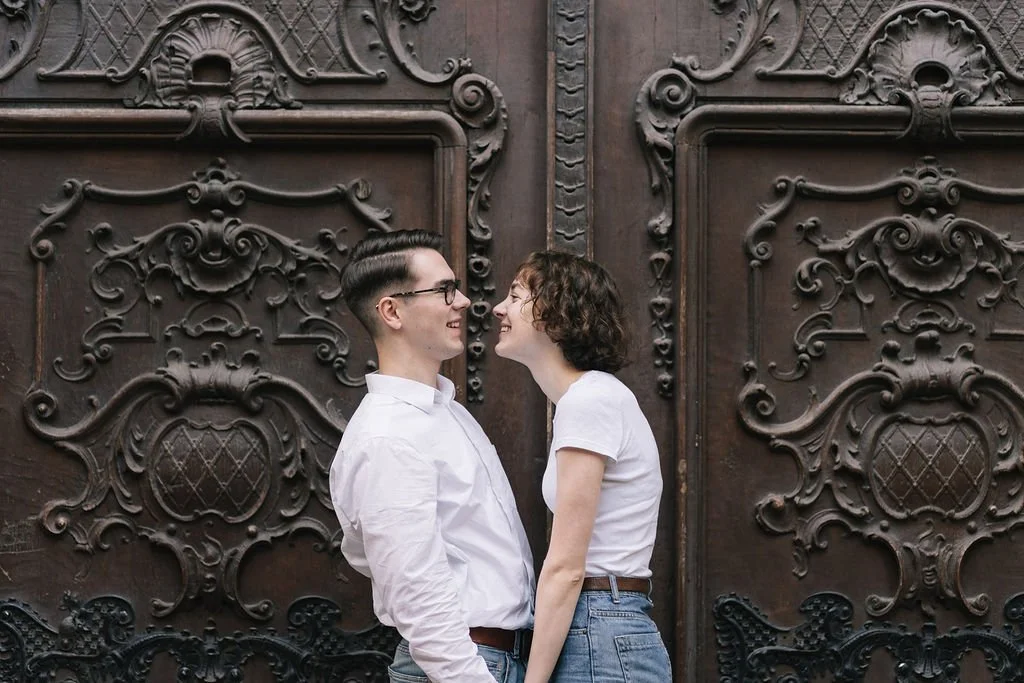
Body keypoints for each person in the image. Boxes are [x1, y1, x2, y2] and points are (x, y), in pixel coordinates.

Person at [330, 229, 536, 683]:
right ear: (391, 311)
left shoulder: (448, 414)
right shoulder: (388, 434)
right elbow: (414, 587)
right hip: (462, 669)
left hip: (497, 658)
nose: (462, 301)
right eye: (444, 290)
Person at [493, 250, 671, 682]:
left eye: (516, 295)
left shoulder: (591, 401)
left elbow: (567, 567)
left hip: (599, 629)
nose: (499, 307)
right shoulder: (589, 400)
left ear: (557, 314)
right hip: (601, 628)